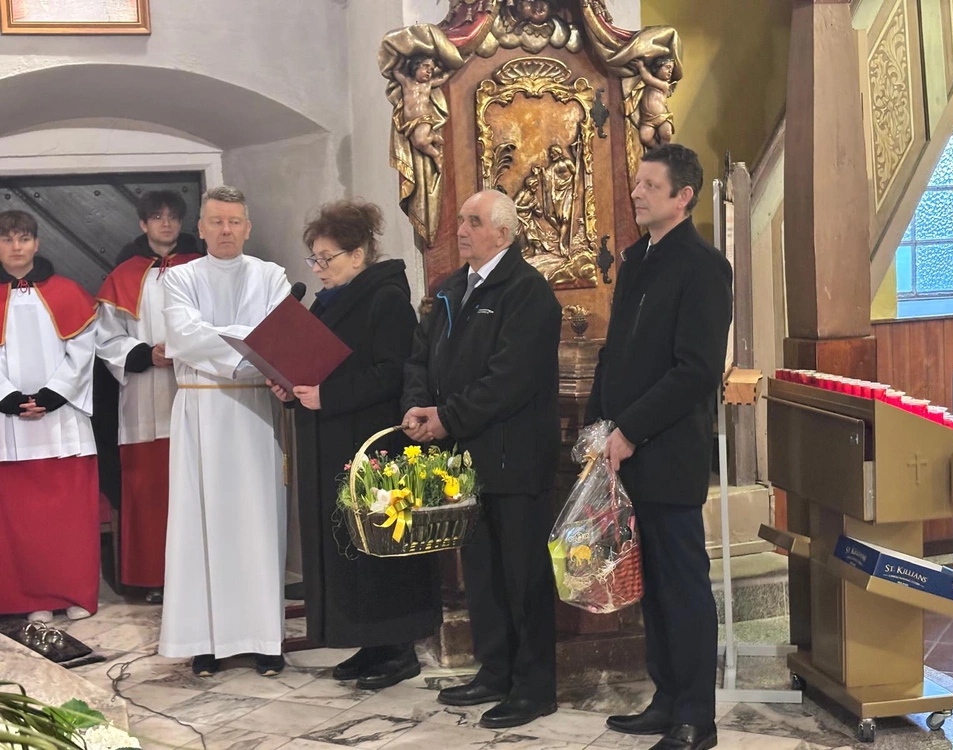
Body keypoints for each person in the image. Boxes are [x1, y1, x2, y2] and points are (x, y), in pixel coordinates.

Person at [588, 144, 732, 750]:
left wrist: (630, 430)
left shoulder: (704, 267)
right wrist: (598, 427)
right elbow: (615, 352)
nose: (637, 192)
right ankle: (666, 698)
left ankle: (697, 716)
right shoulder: (635, 260)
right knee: (650, 584)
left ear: (683, 196)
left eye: (650, 185)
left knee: (683, 586)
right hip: (625, 450)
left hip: (668, 452)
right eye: (637, 182)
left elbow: (695, 369)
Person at [402, 189, 562, 730]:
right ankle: (495, 671)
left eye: (474, 221)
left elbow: (509, 380)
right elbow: (419, 358)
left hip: (514, 459)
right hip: (464, 459)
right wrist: (417, 407)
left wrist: (447, 417)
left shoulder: (528, 293)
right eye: (461, 220)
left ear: (504, 233)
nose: (462, 229)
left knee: (522, 576)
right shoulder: (452, 289)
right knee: (483, 574)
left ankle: (534, 687)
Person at [269, 200, 441, 689]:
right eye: (315, 259)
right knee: (348, 551)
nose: (318, 268)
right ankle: (369, 642)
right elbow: (317, 367)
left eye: (327, 258)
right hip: (329, 442)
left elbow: (394, 373)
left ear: (359, 254)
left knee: (379, 548)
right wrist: (292, 388)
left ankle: (398, 649)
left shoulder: (385, 299)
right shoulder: (328, 302)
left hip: (372, 447)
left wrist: (328, 395)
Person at [158, 186, 290, 678]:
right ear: (201, 228)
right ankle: (205, 641)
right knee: (200, 522)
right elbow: (184, 336)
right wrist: (247, 346)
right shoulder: (180, 278)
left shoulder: (271, 276)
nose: (226, 230)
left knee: (259, 520)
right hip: (200, 412)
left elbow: (277, 335)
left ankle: (265, 639)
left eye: (234, 221)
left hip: (256, 411)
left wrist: (234, 343)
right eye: (216, 221)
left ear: (248, 228)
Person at [95, 190, 202, 604]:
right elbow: (106, 338)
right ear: (143, 224)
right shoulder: (122, 276)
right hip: (144, 401)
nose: (166, 223)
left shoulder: (202, 268)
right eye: (157, 217)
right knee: (149, 492)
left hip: (196, 392)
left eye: (173, 216)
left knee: (195, 488)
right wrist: (144, 354)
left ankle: (196, 574)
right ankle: (154, 578)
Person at [0, 210, 100, 623]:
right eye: (7, 239)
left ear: (37, 243)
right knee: (22, 520)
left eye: (23, 238)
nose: (16, 246)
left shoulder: (67, 291)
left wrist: (55, 393)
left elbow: (84, 348)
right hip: (8, 425)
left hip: (63, 421)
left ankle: (73, 591)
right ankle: (31, 597)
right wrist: (7, 397)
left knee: (69, 518)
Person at [635, 56, 677, 149]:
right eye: (667, 67)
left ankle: (664, 150)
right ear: (656, 67)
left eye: (671, 69)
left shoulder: (664, 85)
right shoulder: (646, 86)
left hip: (662, 117)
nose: (670, 71)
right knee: (645, 137)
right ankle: (657, 149)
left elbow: (648, 79)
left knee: (666, 134)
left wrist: (641, 67)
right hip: (648, 119)